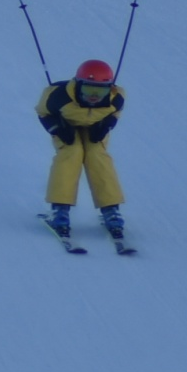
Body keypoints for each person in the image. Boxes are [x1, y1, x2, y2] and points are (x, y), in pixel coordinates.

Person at [37, 59, 126, 239]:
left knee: (96, 154)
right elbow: (43, 112)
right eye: (88, 89)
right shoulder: (58, 95)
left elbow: (115, 113)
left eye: (100, 91)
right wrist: (57, 128)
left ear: (110, 88)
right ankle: (59, 209)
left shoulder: (116, 97)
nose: (94, 96)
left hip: (94, 127)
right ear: (78, 84)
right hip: (66, 126)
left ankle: (111, 210)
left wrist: (106, 125)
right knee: (71, 153)